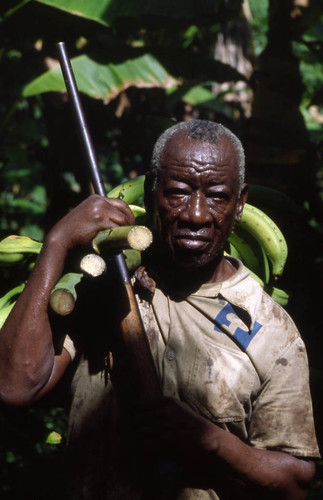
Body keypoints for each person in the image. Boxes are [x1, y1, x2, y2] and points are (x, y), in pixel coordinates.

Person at [0, 120, 320, 499]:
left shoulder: (270, 330)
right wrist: (57, 243)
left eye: (217, 195)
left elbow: (296, 482)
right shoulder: (105, 288)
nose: (196, 215)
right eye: (177, 192)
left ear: (240, 203)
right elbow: (15, 387)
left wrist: (208, 442)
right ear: (152, 192)